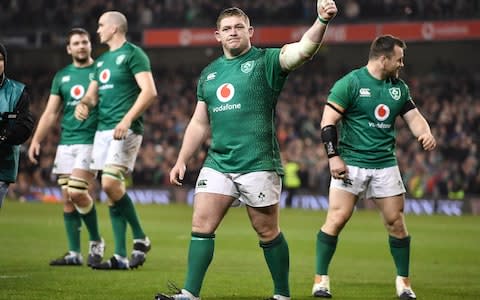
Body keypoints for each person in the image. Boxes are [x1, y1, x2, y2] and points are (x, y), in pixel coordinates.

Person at [156, 2, 337, 300]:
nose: (233, 32)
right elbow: (199, 122)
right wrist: (181, 159)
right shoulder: (210, 73)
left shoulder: (266, 61)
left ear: (250, 31)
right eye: (226, 28)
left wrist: (322, 20)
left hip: (258, 162)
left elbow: (304, 49)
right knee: (201, 224)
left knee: (267, 231)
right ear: (217, 35)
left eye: (239, 27)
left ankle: (281, 294)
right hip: (218, 161)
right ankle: (190, 294)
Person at [312, 34, 436, 300]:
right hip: (351, 163)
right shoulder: (351, 83)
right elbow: (327, 122)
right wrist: (333, 157)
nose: (402, 64)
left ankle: (404, 284)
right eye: (399, 59)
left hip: (384, 165)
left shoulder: (398, 88)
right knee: (336, 219)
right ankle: (320, 280)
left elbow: (414, 118)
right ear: (383, 59)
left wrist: (424, 133)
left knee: (396, 223)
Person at [75, 11, 157, 270]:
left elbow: (149, 91)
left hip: (125, 130)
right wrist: (84, 104)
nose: (97, 30)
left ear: (114, 28)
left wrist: (127, 119)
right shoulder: (100, 62)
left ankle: (141, 237)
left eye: (100, 25)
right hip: (102, 131)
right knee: (111, 193)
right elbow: (92, 96)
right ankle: (121, 255)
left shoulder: (134, 54)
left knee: (110, 183)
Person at [27, 28, 105, 267]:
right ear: (69, 49)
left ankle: (96, 241)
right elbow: (51, 113)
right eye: (76, 43)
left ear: (90, 45)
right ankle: (74, 253)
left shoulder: (101, 71)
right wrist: (36, 140)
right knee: (68, 199)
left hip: (91, 141)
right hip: (66, 143)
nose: (81, 46)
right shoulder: (62, 76)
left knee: (77, 192)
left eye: (85, 42)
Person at [0, 43, 34, 209]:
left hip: (2, 164)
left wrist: (4, 136)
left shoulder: (17, 92)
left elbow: (25, 125)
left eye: (0, 59)